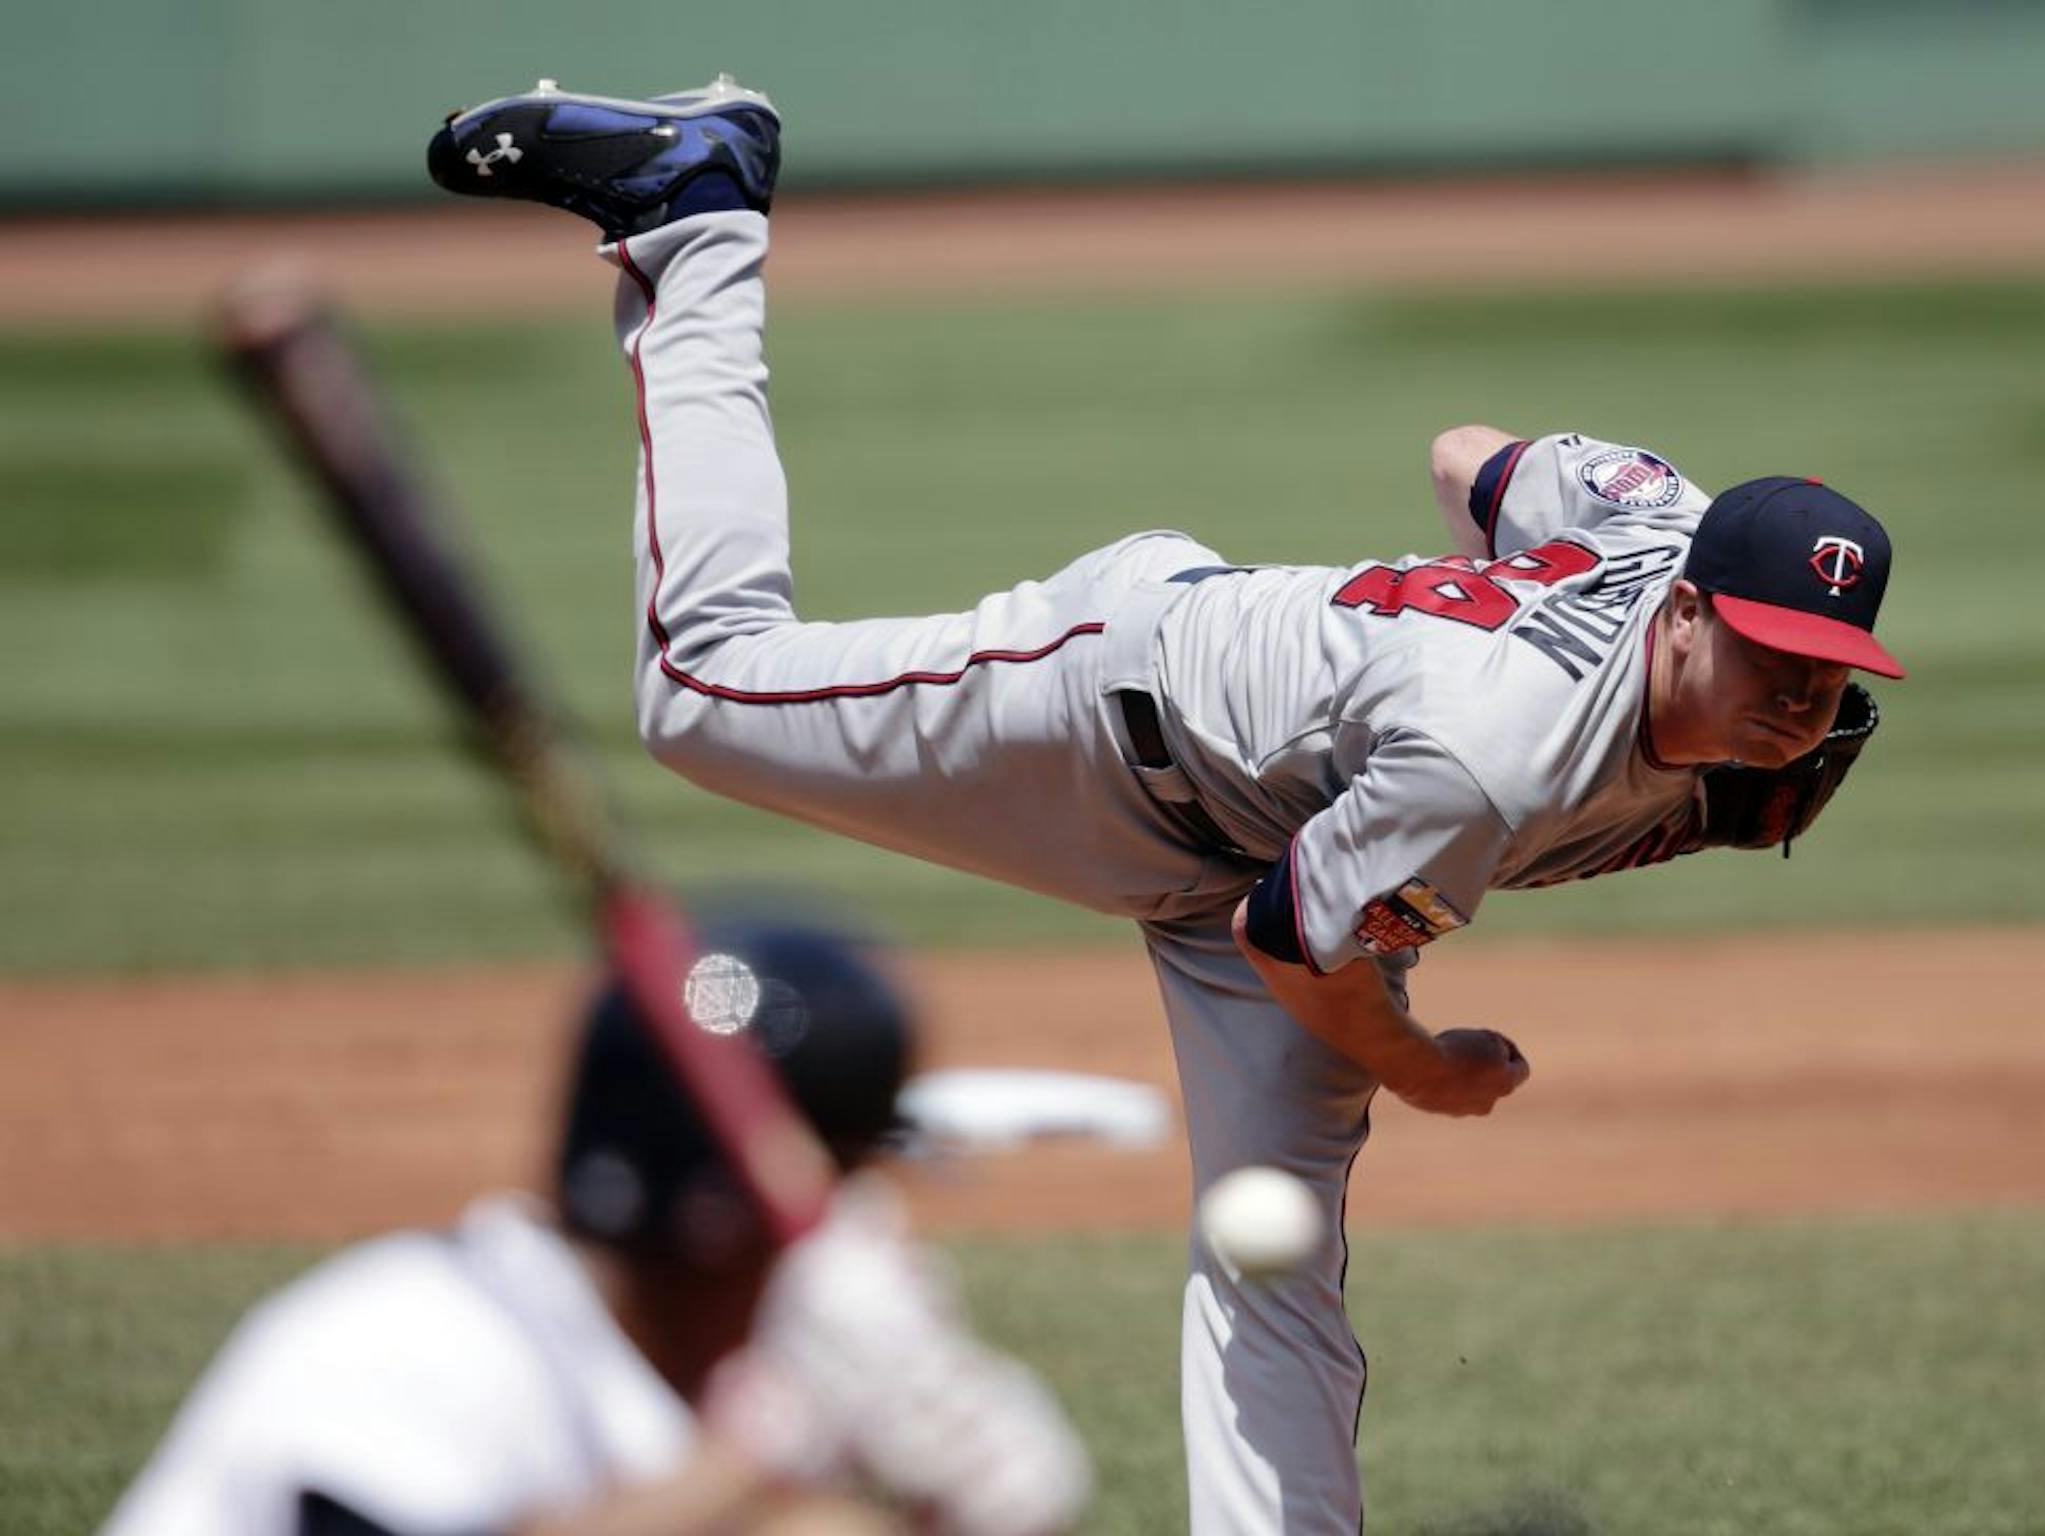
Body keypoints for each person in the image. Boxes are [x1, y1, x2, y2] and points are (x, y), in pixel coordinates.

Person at [426, 75, 1906, 1536]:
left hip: (1292, 828)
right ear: (1694, 613)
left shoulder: (1657, 516)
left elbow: (1469, 459)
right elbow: (1301, 956)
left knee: (1276, 1266)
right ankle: (697, 221)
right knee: (705, 693)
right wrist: (1430, 1067)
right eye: (1775, 658)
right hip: (1112, 713)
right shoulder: (1488, 761)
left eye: (1831, 676)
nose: (1800, 704)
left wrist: (1430, 665)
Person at [102, 915, 1091, 1536]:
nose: (866, 1232)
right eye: (841, 1190)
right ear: (718, 1221)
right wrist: (761, 1449)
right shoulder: (411, 1337)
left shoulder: (653, 1392)